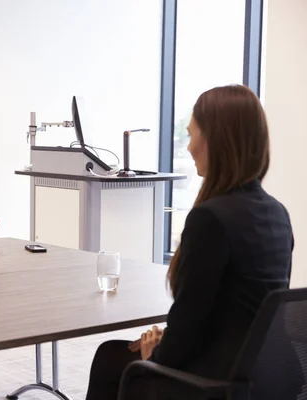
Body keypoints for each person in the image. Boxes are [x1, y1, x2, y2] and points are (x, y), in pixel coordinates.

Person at [85, 85, 295, 400]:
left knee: (110, 359)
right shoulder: (278, 214)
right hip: (267, 376)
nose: (189, 147)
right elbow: (234, 312)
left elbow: (187, 328)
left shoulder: (211, 219)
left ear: (216, 141)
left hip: (214, 382)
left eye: (192, 135)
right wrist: (165, 339)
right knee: (122, 352)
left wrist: (153, 357)